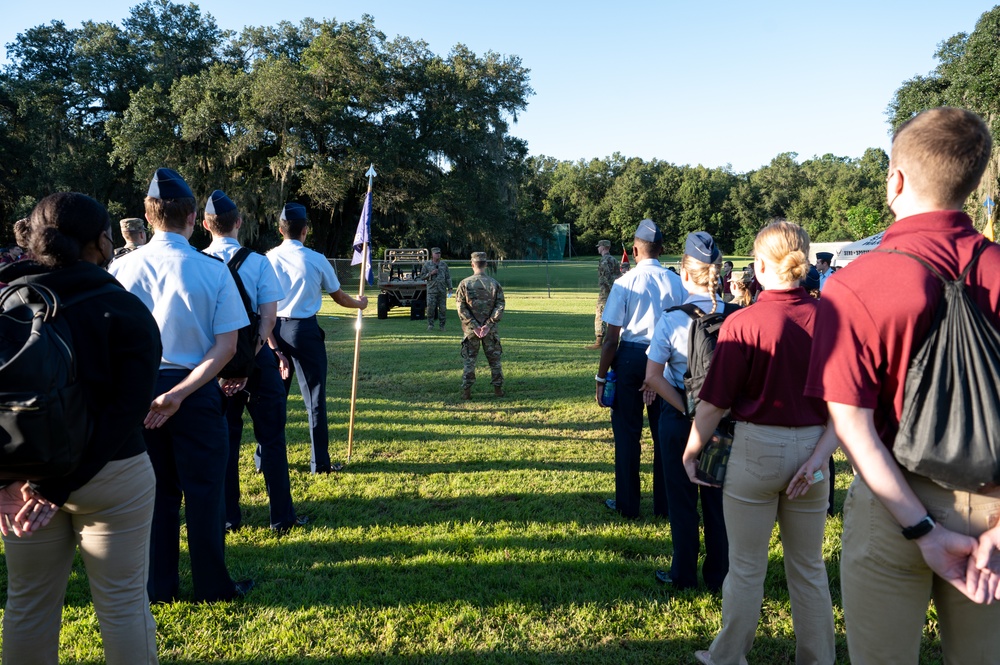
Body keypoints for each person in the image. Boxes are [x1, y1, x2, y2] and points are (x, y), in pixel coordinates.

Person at [806, 107, 1000, 663]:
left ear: (895, 180)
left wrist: (923, 531)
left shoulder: (856, 283)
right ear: (971, 179)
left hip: (892, 504)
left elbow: (851, 424)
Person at [0, 192, 162, 664]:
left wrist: (6, 483)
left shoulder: (7, 301)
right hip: (112, 474)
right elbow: (126, 412)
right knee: (125, 606)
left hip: (24, 477)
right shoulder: (126, 309)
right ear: (103, 241)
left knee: (27, 606)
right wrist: (60, 487)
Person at [681, 221, 836, 665]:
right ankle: (818, 658)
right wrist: (822, 456)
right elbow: (849, 402)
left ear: (760, 265)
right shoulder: (831, 317)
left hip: (756, 449)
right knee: (808, 569)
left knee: (746, 568)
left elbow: (713, 403)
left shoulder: (744, 322)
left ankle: (728, 656)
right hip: (815, 446)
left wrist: (692, 451)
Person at [110, 167, 253, 603]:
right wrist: (180, 393)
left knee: (156, 496)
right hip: (195, 389)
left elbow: (110, 345)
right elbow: (227, 347)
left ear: (148, 216)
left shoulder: (120, 269)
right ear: (194, 217)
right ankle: (213, 586)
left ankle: (160, 587)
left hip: (140, 395)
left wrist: (153, 394)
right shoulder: (212, 270)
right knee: (206, 492)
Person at [202, 190, 306, 534]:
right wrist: (250, 359)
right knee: (273, 439)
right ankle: (281, 517)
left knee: (227, 443)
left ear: (204, 225)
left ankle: (230, 517)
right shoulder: (259, 263)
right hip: (257, 361)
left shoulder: (197, 262)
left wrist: (229, 366)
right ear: (239, 223)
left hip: (215, 363)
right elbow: (268, 319)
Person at [642, 231, 728, 591]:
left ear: (684, 273)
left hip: (678, 420)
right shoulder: (738, 316)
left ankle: (682, 573)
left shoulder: (671, 319)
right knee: (717, 503)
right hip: (724, 421)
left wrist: (687, 409)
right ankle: (720, 574)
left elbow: (653, 378)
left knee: (680, 501)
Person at [267, 202, 369, 474]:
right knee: (314, 398)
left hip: (273, 331)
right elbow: (340, 297)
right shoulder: (316, 259)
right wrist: (360, 304)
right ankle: (319, 463)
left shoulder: (267, 258)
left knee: (275, 398)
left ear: (280, 230)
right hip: (304, 331)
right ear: (305, 231)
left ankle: (264, 459)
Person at [597, 219, 686, 519]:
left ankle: (627, 504)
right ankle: (664, 505)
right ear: (661, 249)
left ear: (635, 250)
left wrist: (600, 377)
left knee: (626, 433)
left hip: (631, 357)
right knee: (665, 435)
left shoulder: (624, 283)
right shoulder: (677, 282)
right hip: (666, 359)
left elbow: (611, 339)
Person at [455, 251, 505, 399]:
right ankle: (498, 390)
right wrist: (488, 325)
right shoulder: (494, 284)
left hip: (471, 331)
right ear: (486, 264)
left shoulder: (464, 284)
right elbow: (500, 306)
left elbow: (461, 307)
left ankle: (467, 392)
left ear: (472, 264)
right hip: (490, 330)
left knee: (469, 361)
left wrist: (474, 325)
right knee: (494, 361)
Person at [586, 239, 620, 350]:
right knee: (614, 316)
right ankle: (613, 340)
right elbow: (618, 276)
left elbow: (607, 277)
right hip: (615, 291)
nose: (598, 248)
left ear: (604, 247)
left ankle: (598, 342)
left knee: (600, 314)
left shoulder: (604, 260)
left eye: (599, 246)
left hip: (606, 293)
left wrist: (611, 290)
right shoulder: (614, 260)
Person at [420, 247, 452, 331]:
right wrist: (431, 273)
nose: (438, 255)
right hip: (431, 290)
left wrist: (450, 288)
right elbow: (422, 276)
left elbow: (448, 277)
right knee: (430, 308)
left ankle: (442, 326)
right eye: (436, 253)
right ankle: (430, 325)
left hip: (441, 290)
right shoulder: (427, 265)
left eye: (439, 253)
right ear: (432, 255)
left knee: (443, 309)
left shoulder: (444, 265)